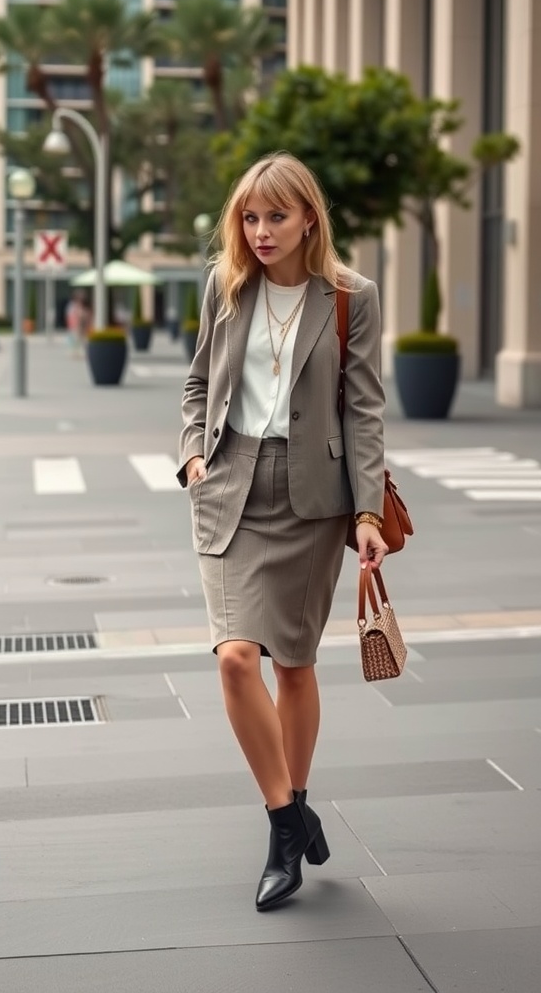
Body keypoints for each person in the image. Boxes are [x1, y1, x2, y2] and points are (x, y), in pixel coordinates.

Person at [177, 151, 387, 912]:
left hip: (311, 500)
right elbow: (199, 379)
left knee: (293, 665)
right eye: (250, 217)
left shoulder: (349, 297)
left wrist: (367, 512)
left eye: (275, 216)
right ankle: (285, 823)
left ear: (308, 219)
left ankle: (293, 804)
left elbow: (363, 407)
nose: (260, 231)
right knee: (236, 659)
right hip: (230, 485)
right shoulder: (225, 287)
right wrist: (194, 452)